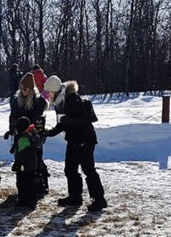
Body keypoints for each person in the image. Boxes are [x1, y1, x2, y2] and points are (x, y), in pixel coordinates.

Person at [43, 80, 108, 212]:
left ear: (55, 90)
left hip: (85, 140)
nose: (48, 95)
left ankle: (99, 199)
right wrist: (47, 133)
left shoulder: (73, 99)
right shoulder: (60, 102)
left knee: (88, 169)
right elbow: (61, 124)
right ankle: (75, 197)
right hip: (73, 140)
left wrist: (70, 121)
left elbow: (85, 120)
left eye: (49, 91)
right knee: (70, 169)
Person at [9, 72, 50, 196]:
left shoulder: (38, 101)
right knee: (20, 158)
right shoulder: (16, 100)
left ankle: (41, 185)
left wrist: (26, 126)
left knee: (36, 160)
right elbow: (13, 115)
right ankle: (23, 185)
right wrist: (13, 127)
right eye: (21, 88)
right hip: (20, 133)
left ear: (31, 89)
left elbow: (36, 117)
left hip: (34, 134)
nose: (23, 91)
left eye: (25, 89)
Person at [9, 116, 41, 209]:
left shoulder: (23, 138)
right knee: (29, 182)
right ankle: (30, 201)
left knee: (22, 183)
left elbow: (22, 154)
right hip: (31, 164)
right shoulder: (31, 134)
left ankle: (24, 201)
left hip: (24, 165)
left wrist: (17, 164)